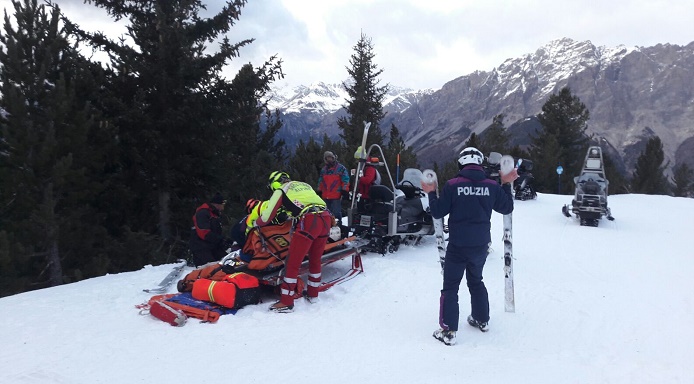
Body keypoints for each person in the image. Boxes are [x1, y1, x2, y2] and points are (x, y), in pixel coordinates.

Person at [421, 147, 518, 346]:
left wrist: (431, 193)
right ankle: (481, 319)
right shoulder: (491, 185)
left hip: (458, 245)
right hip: (480, 245)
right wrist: (507, 183)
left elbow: (438, 212)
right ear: (480, 164)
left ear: (461, 164)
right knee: (476, 281)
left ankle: (448, 331)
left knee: (450, 287)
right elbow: (507, 207)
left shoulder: (452, 185)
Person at [256, 171, 332, 313]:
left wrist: (256, 222)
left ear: (274, 183)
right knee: (315, 260)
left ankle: (286, 301)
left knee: (292, 263)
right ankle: (313, 294)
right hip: (325, 218)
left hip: (309, 221)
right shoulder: (304, 185)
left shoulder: (281, 190)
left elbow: (267, 216)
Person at [189, 193, 231, 267]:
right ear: (217, 204)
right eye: (223, 204)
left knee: (227, 262)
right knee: (209, 270)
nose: (223, 206)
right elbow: (204, 233)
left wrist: (223, 241)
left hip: (212, 247)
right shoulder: (203, 213)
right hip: (202, 249)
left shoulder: (214, 214)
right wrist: (221, 240)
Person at [316, 151, 350, 223]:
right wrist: (319, 189)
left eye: (331, 157)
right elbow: (321, 180)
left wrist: (345, 190)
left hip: (336, 196)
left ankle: (339, 228)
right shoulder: (324, 170)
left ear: (334, 158)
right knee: (326, 214)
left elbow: (346, 180)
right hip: (326, 195)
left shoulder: (340, 168)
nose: (329, 159)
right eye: (328, 158)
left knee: (336, 214)